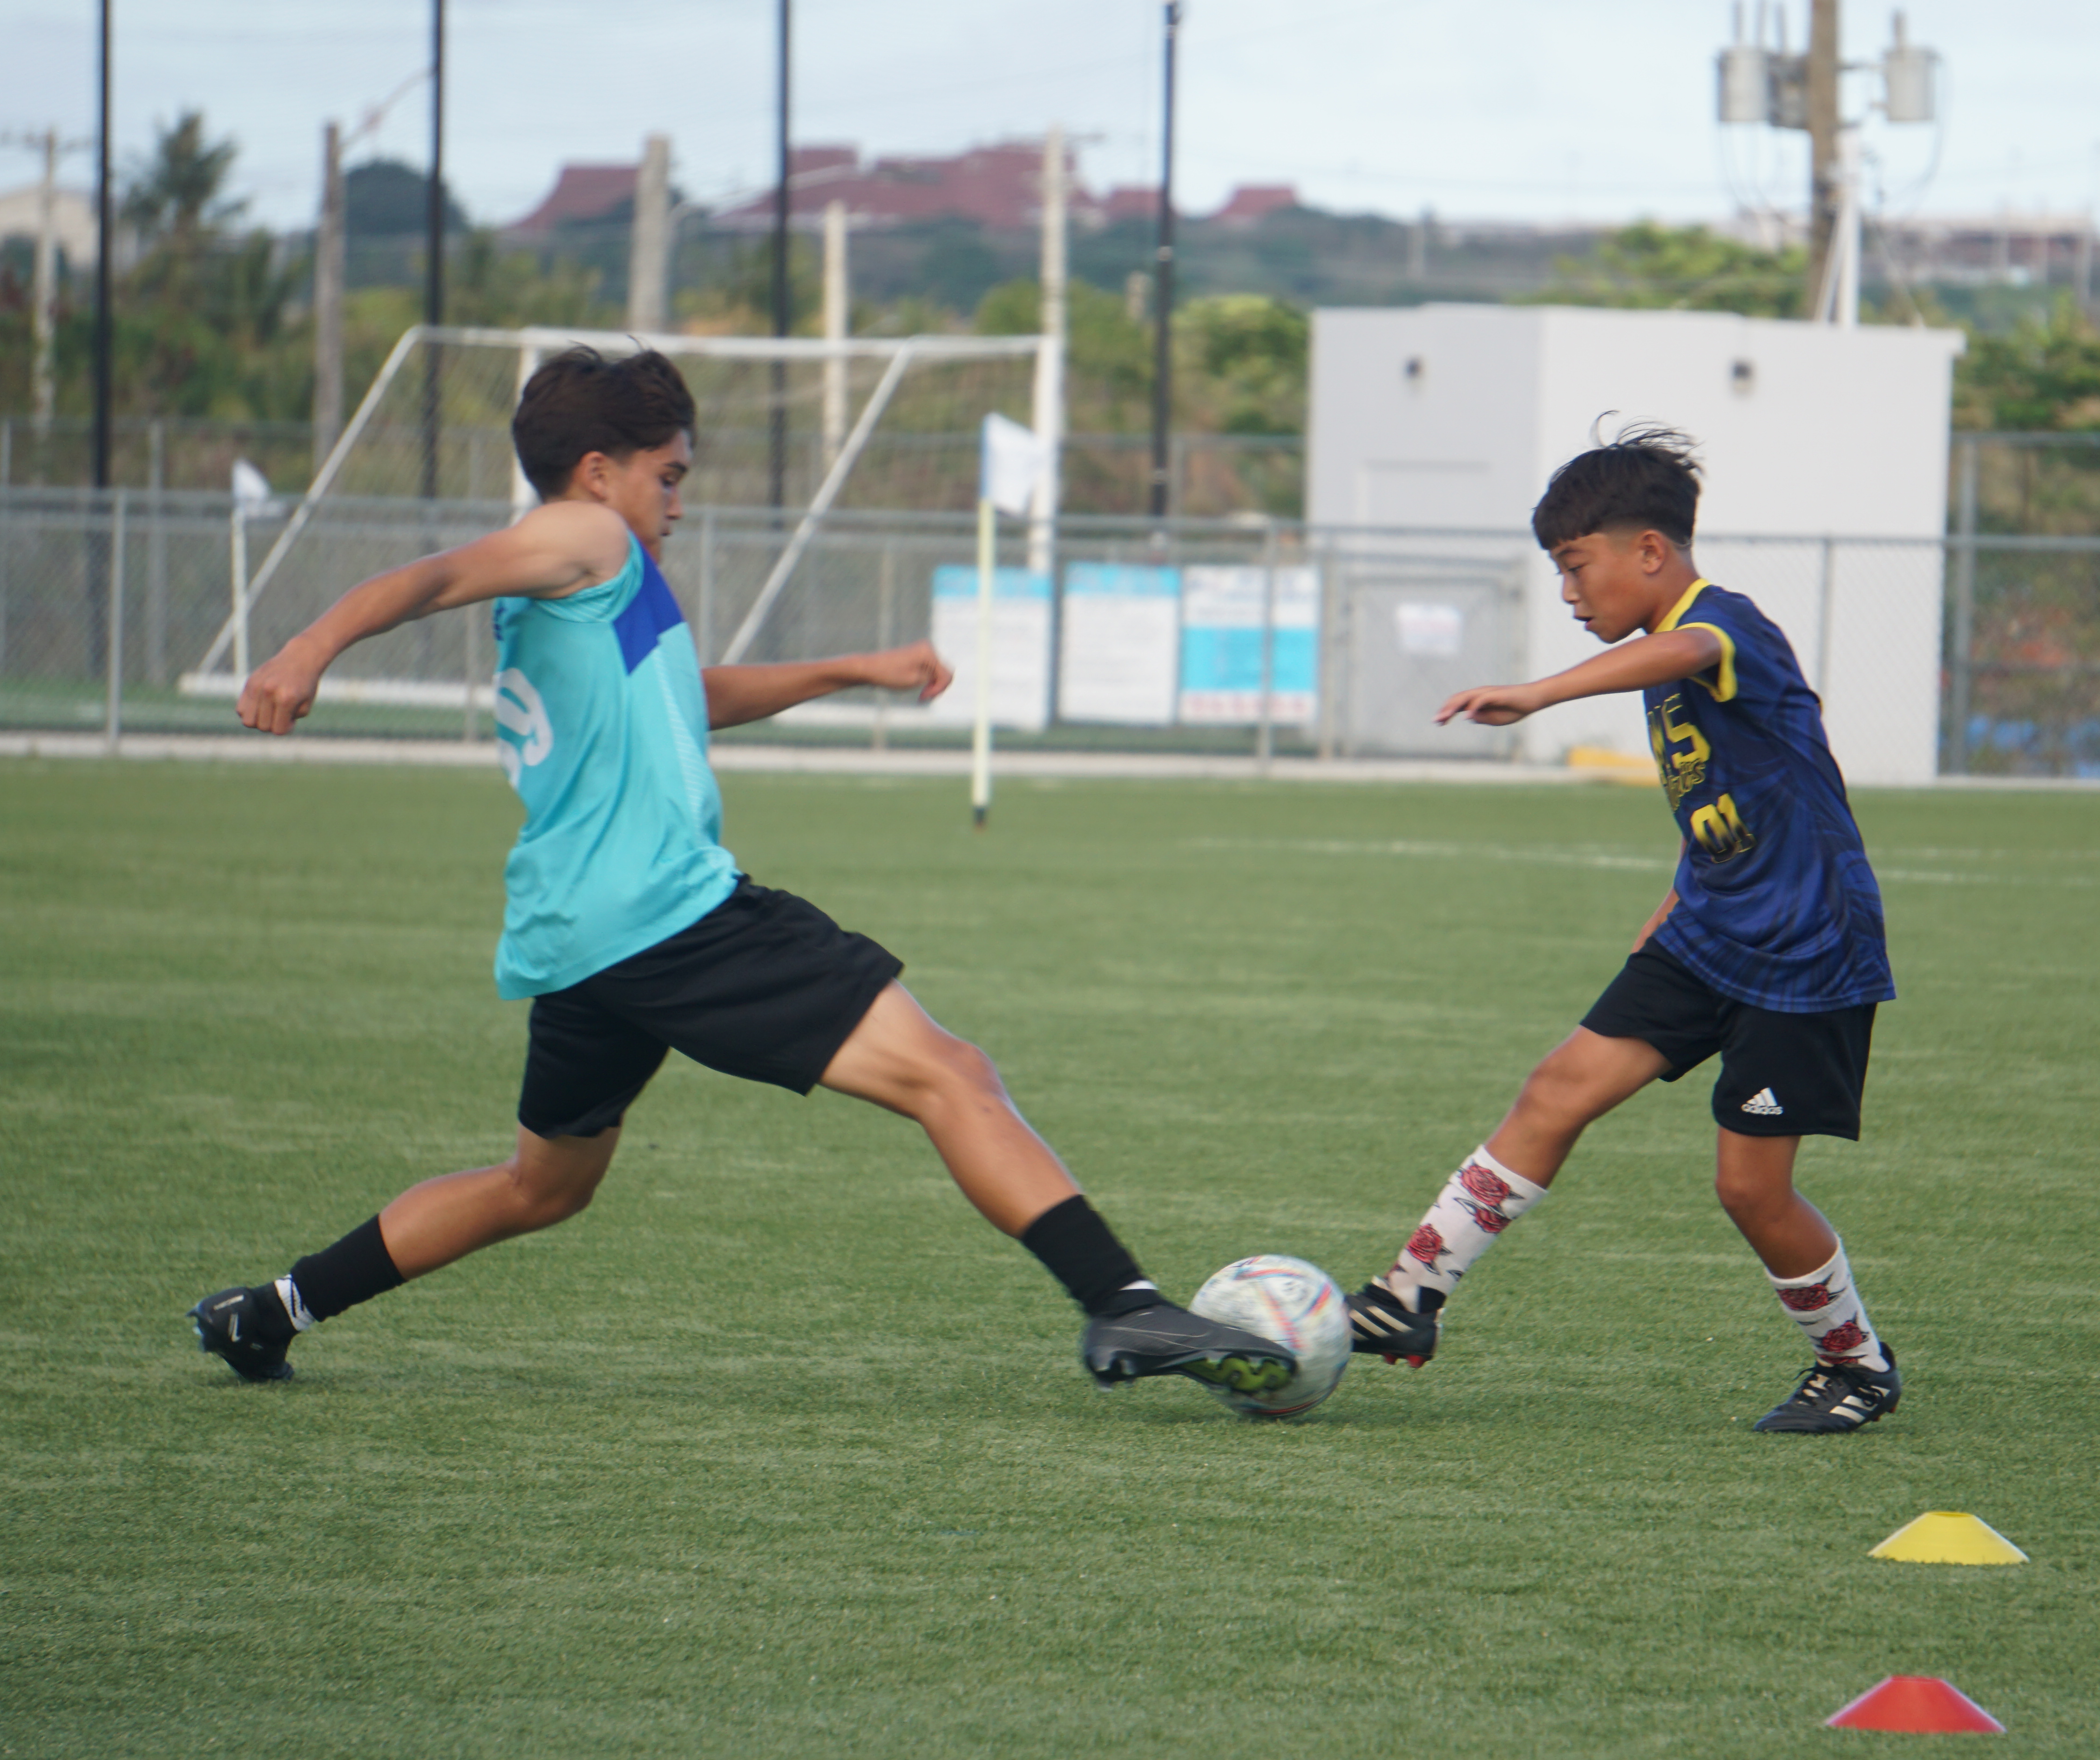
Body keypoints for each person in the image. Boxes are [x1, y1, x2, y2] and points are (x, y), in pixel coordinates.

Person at [187, 347, 1292, 1400]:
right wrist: (306, 647)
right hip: (671, 916)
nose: (678, 501)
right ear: (596, 473)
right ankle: (1123, 1300)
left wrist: (851, 668)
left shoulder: (588, 588)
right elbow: (433, 577)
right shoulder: (583, 535)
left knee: (542, 1187)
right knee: (951, 1073)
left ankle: (273, 1310)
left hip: (580, 936)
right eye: (666, 477)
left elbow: (689, 693)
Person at [1342, 428, 1903, 1433]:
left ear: (1650, 550)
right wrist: (1681, 890)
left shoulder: (1722, 626)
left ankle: (1856, 1364)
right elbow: (1742, 797)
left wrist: (1542, 690)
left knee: (1750, 1189)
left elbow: (1690, 648)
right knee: (1558, 1085)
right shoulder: (1659, 657)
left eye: (1574, 565)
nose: (1567, 592)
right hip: (1709, 927)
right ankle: (1408, 1295)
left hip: (1807, 950)